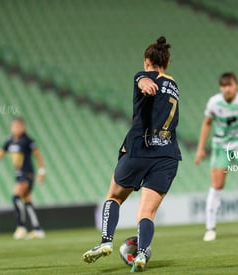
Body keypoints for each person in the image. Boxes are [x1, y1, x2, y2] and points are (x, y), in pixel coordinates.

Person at [82, 36, 181, 272]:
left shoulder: (143, 75)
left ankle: (106, 241)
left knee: (114, 196)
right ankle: (143, 254)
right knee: (147, 212)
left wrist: (144, 83)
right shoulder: (174, 85)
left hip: (139, 149)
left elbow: (143, 81)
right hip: (167, 156)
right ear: (167, 62)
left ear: (147, 61)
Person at [194, 72, 238, 241]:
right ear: (221, 88)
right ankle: (210, 229)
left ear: (236, 85)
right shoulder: (214, 102)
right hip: (221, 146)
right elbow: (206, 123)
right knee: (217, 186)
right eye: (224, 86)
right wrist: (200, 148)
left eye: (230, 85)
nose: (227, 89)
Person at [0, 117, 46, 239]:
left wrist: (42, 171)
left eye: (19, 126)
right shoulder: (9, 141)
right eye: (14, 126)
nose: (16, 128)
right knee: (27, 201)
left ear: (23, 127)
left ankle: (21, 227)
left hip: (27, 174)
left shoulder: (28, 140)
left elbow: (38, 155)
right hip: (18, 175)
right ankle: (37, 229)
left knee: (16, 197)